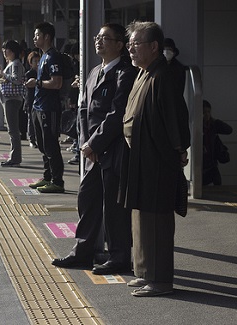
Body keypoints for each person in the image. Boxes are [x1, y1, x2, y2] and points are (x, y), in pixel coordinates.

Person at [52, 23, 136, 275]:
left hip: (114, 150)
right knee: (87, 201)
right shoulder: (93, 72)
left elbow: (117, 113)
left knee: (114, 206)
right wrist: (86, 144)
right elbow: (83, 110)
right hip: (91, 151)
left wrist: (94, 143)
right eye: (97, 37)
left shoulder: (125, 73)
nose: (99, 41)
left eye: (105, 38)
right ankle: (84, 252)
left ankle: (119, 256)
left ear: (120, 44)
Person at [120, 21, 190, 297]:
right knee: (140, 217)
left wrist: (179, 150)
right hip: (141, 158)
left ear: (153, 47)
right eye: (130, 44)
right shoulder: (144, 73)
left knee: (157, 222)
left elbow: (176, 119)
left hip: (157, 161)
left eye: (135, 44)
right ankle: (144, 271)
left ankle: (160, 279)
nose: (131, 49)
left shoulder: (163, 76)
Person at [25, 22, 66, 193]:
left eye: (37, 35)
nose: (34, 38)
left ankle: (57, 181)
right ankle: (47, 176)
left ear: (47, 37)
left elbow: (57, 83)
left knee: (50, 144)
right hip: (38, 106)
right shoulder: (42, 56)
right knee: (41, 143)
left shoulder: (53, 57)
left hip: (49, 107)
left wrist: (38, 83)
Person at [0, 40, 26, 167]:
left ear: (13, 51)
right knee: (12, 129)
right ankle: (14, 156)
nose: (4, 52)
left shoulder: (16, 64)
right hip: (9, 99)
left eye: (6, 50)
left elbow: (17, 80)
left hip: (12, 99)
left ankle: (15, 158)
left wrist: (3, 74)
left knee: (13, 130)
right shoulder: (12, 64)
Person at [203, 100, 232, 185]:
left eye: (208, 111)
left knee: (218, 184)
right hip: (200, 164)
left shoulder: (213, 125)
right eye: (204, 112)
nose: (207, 114)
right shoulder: (196, 126)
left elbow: (229, 130)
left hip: (212, 164)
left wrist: (215, 121)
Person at [24, 51, 40, 148]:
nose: (37, 63)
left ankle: (38, 138)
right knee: (31, 120)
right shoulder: (29, 74)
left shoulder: (42, 72)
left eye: (38, 60)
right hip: (30, 99)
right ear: (30, 63)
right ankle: (32, 139)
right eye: (35, 61)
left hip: (39, 99)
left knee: (38, 120)